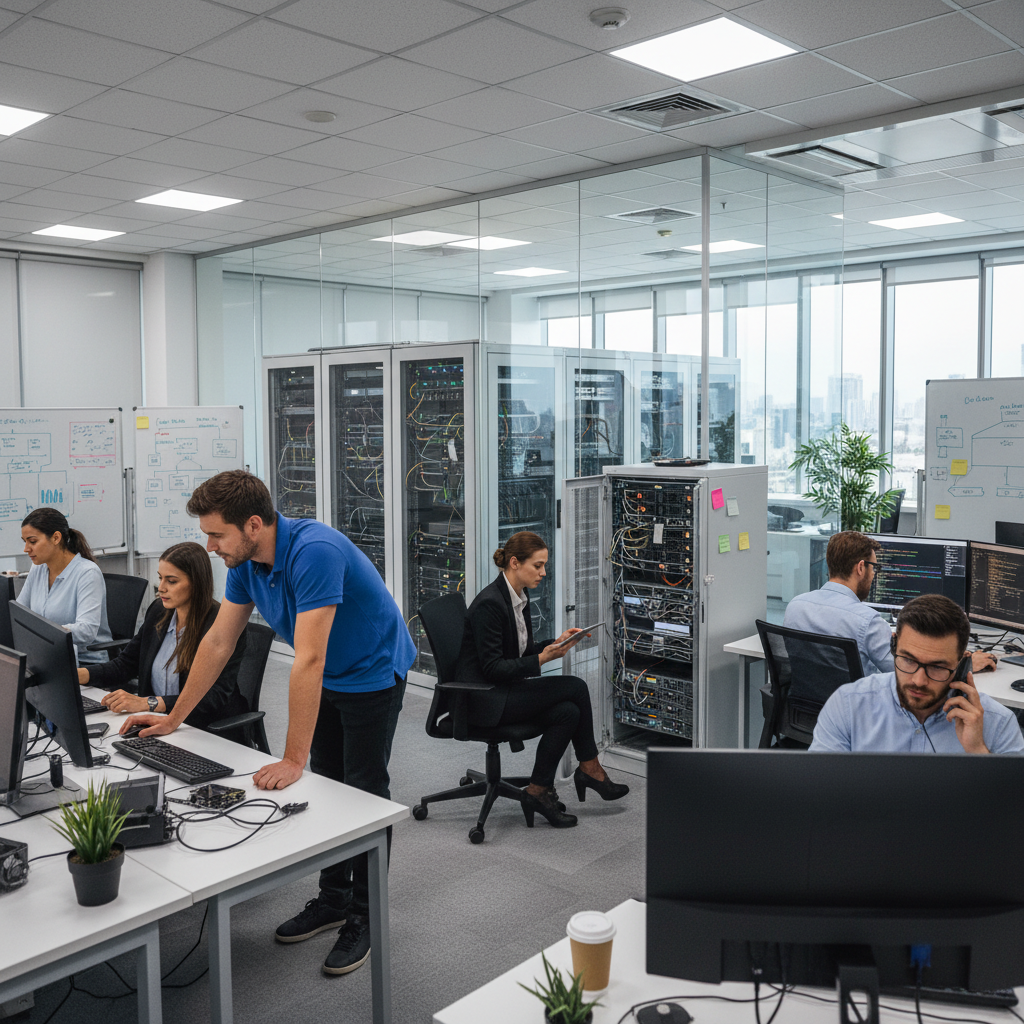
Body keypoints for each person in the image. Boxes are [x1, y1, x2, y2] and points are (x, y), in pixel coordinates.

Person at [120, 470, 415, 978]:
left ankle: (366, 918)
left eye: (216, 534)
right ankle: (334, 898)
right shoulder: (246, 562)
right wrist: (174, 718)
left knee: (363, 790)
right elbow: (217, 643)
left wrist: (292, 756)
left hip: (371, 672)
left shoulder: (313, 552)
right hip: (329, 672)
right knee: (326, 784)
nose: (209, 546)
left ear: (253, 524)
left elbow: (308, 660)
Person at [455, 531, 628, 829]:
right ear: (514, 563)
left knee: (568, 712)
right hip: (484, 698)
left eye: (544, 565)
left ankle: (537, 791)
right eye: (537, 565)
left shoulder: (519, 595)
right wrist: (542, 659)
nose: (543, 573)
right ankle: (590, 768)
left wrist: (554, 644)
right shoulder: (490, 604)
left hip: (505, 690)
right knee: (574, 686)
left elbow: (519, 652)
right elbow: (494, 668)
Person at [809, 594, 1024, 754]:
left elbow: (1012, 811)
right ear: (894, 646)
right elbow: (817, 795)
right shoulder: (848, 707)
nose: (918, 681)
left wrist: (978, 751)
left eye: (937, 667)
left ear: (962, 665)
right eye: (908, 660)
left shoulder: (998, 725)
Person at [78, 542, 248, 732]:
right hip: (158, 723)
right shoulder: (159, 611)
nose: (161, 588)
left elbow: (212, 698)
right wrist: (77, 675)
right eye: (160, 578)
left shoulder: (222, 625)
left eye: (172, 581)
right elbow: (126, 664)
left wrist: (148, 703)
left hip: (202, 729)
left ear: (197, 583)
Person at [784, 530, 996, 676]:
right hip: (860, 718)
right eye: (874, 568)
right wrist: (966, 664)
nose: (874, 574)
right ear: (860, 568)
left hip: (809, 713)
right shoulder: (867, 621)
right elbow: (906, 672)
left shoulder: (795, 606)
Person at [17, 507, 112, 665]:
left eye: (32, 541)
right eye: (25, 542)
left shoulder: (87, 573)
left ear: (55, 538)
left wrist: (43, 634)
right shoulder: (38, 568)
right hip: (49, 657)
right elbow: (20, 613)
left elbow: (86, 630)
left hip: (86, 663)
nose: (26, 549)